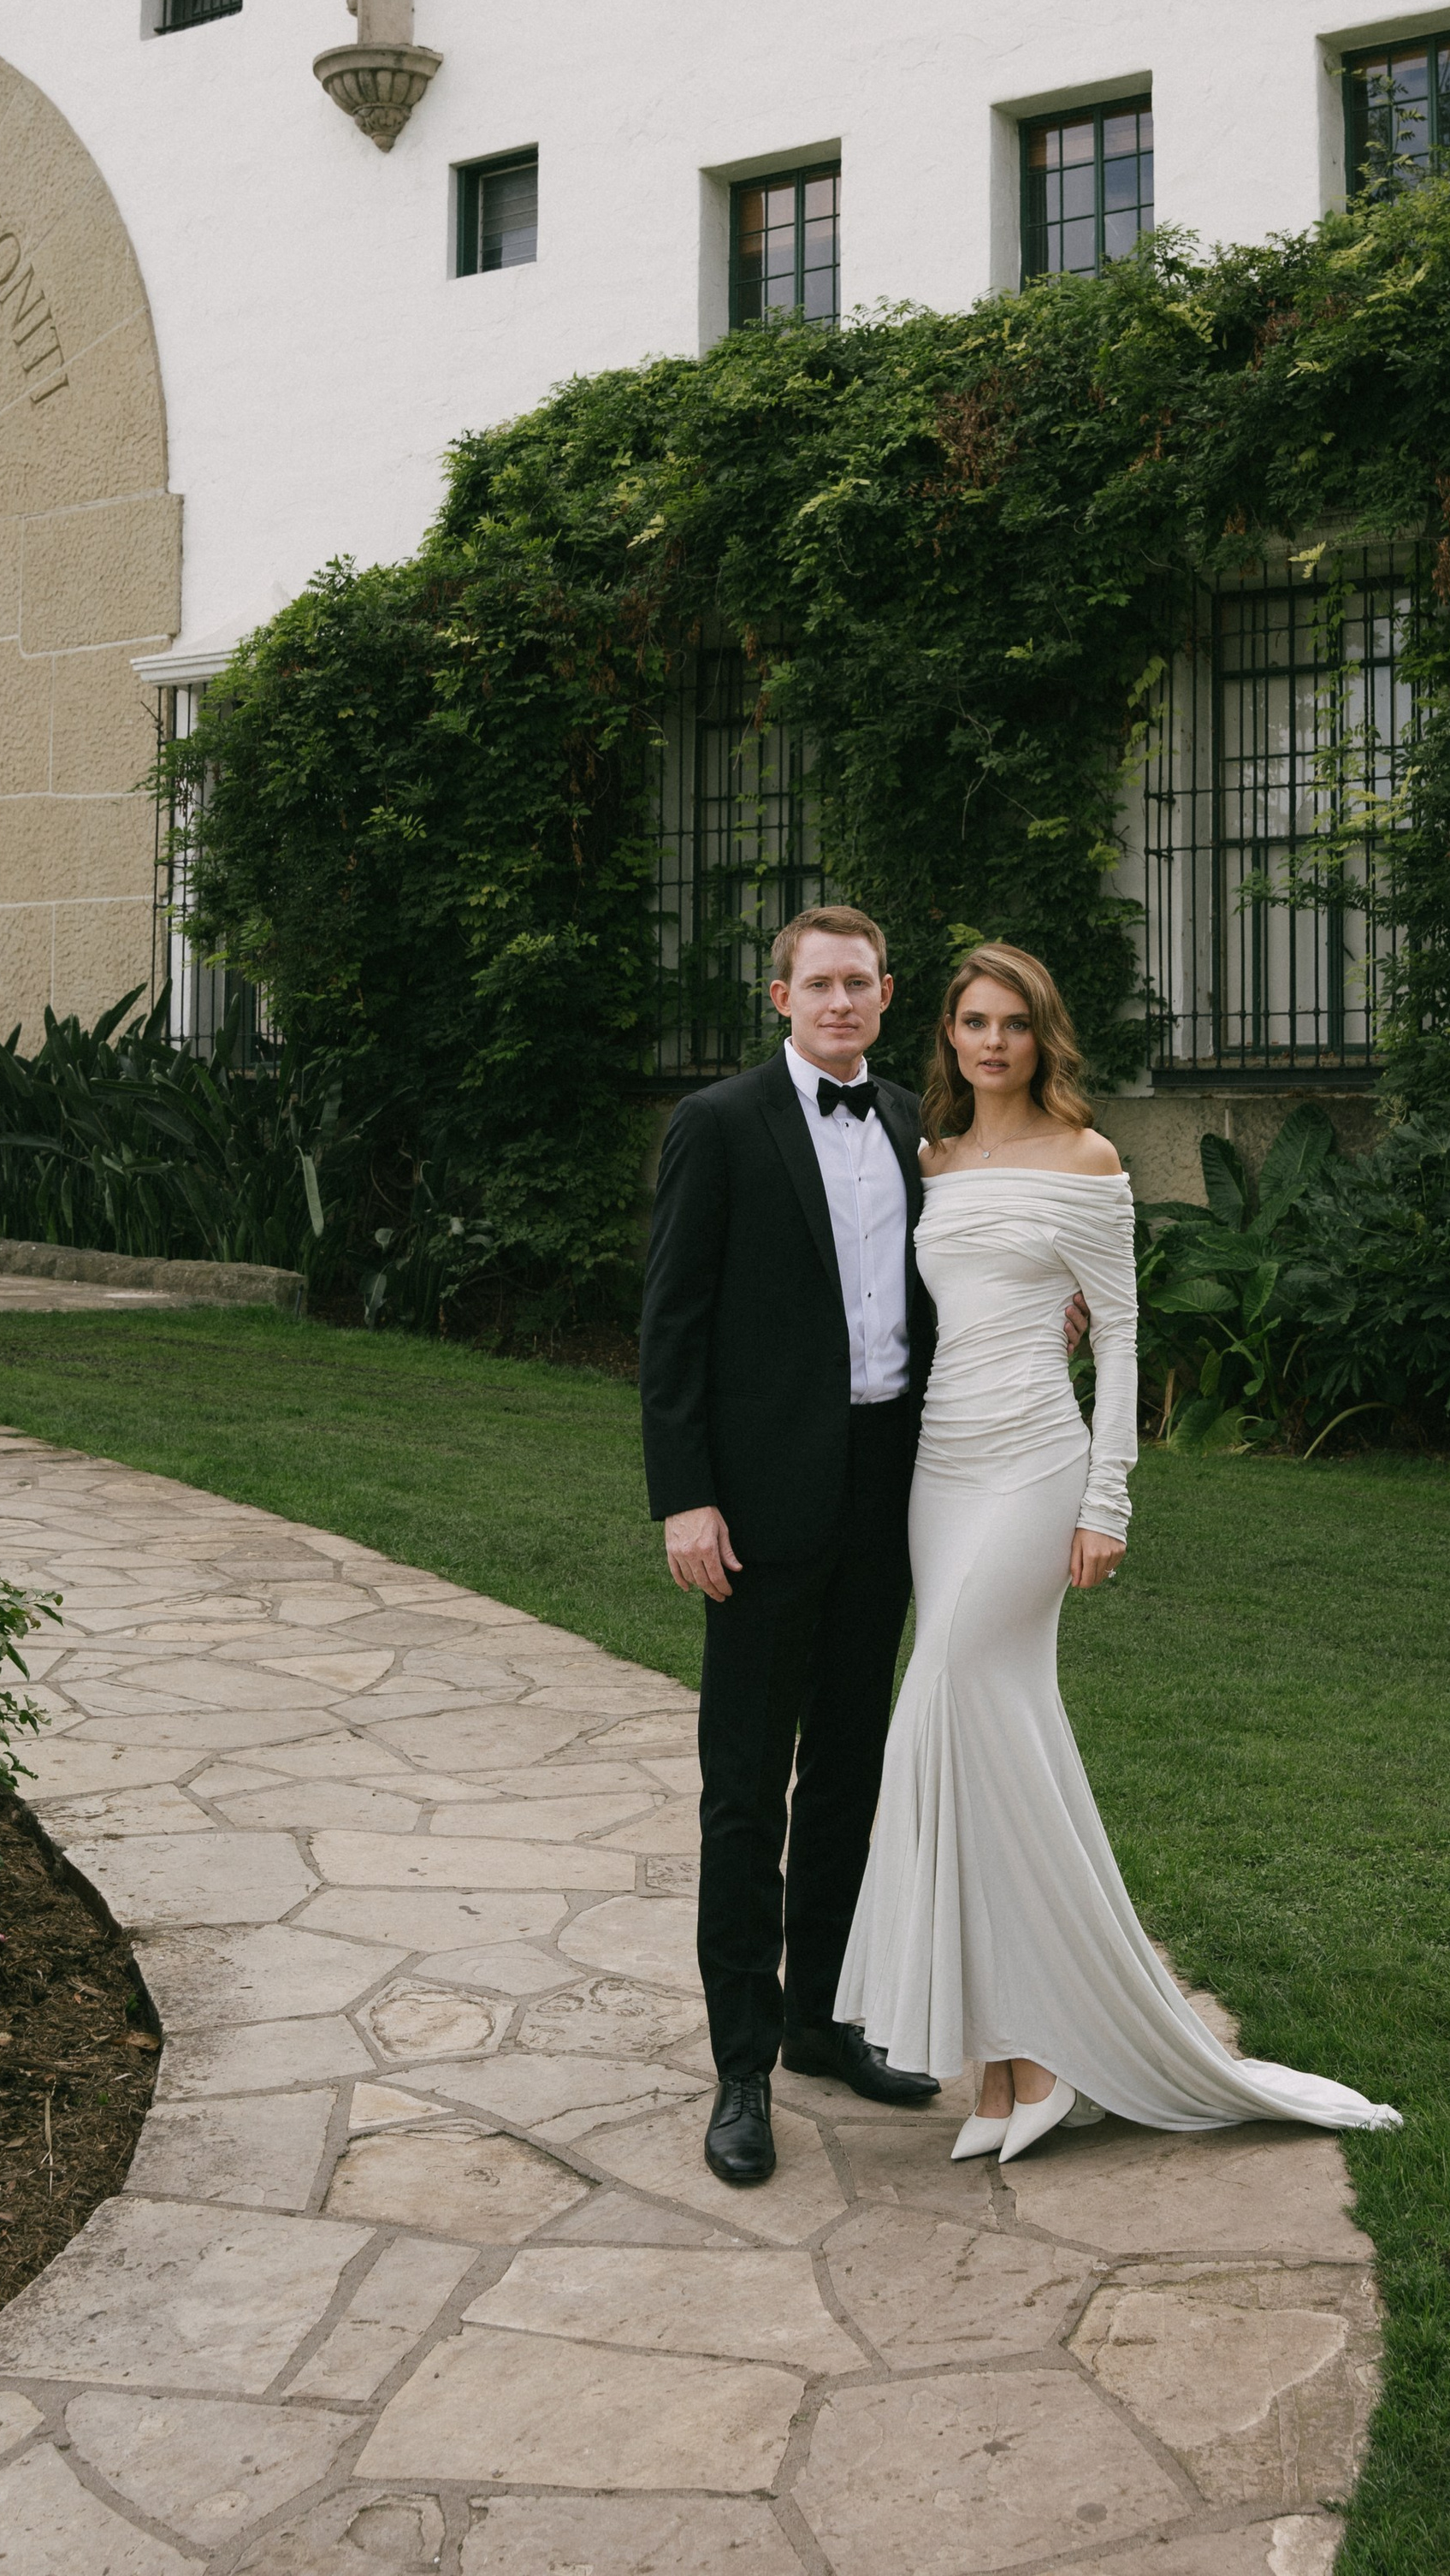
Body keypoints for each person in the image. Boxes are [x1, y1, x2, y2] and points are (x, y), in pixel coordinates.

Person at [835, 941, 1403, 2159]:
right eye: (973, 1023)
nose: (992, 1042)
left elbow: (1125, 1339)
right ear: (947, 1037)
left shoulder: (1088, 1161)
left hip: (1038, 1466)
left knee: (936, 1707)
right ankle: (1005, 2067)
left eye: (1015, 1024)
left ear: (1045, 1037)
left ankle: (1045, 2056)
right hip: (941, 1470)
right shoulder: (928, 1160)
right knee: (983, 1748)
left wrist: (1109, 1505)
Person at [638, 905, 1087, 2188]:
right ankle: (740, 2065)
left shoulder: (915, 1131)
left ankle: (824, 2022)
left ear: (889, 999)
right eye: (816, 983)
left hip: (898, 1500)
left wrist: (1034, 1326)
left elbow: (959, 1293)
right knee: (745, 1785)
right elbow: (671, 1331)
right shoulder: (718, 1127)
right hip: (760, 1510)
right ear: (779, 995)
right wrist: (687, 1498)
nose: (839, 1002)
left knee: (847, 1773)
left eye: (859, 984)